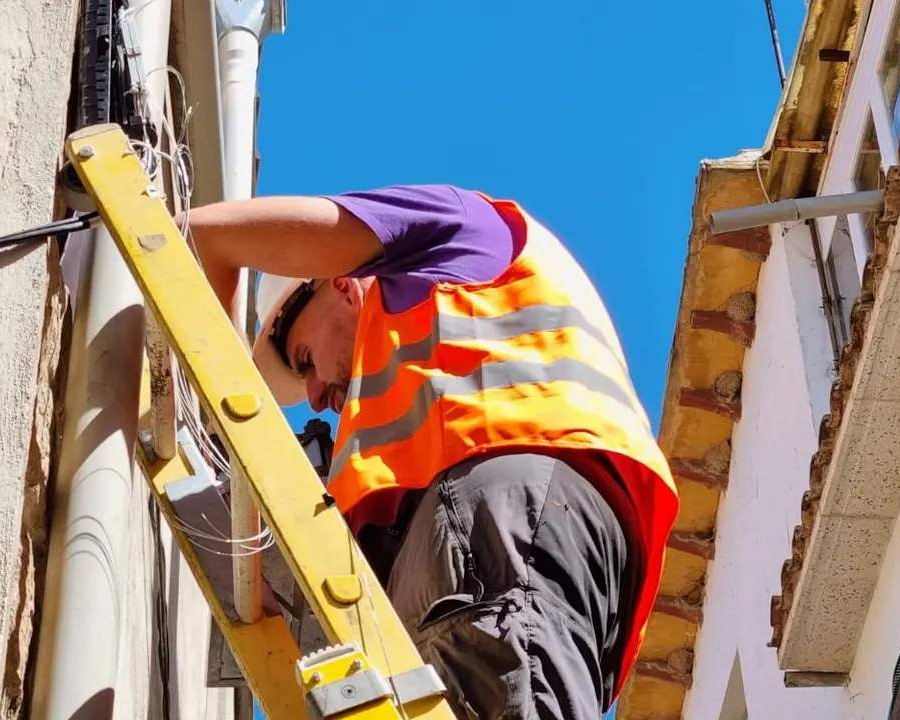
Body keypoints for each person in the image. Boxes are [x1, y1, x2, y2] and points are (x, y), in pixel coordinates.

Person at [182, 185, 678, 720]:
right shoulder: (404, 397)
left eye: (304, 358)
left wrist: (224, 423)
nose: (314, 396)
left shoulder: (459, 229)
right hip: (525, 532)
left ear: (341, 285)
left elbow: (209, 235)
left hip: (504, 507)